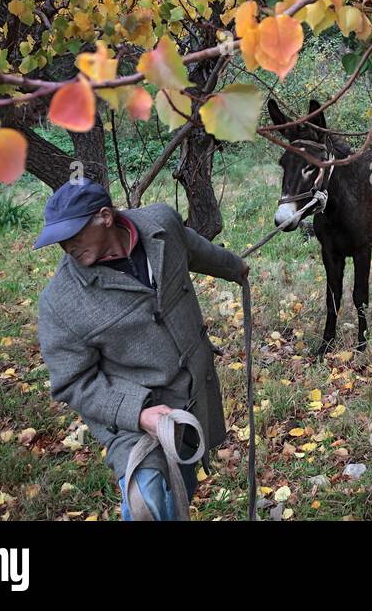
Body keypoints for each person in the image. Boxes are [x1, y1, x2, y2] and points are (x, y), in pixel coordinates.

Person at [35, 179, 248, 520]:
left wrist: (233, 267)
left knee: (181, 491)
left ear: (105, 217)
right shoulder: (61, 302)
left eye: (74, 234)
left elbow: (193, 248)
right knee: (147, 504)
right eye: (60, 239)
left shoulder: (160, 226)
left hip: (190, 399)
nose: (66, 247)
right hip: (129, 420)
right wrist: (138, 414)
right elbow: (73, 383)